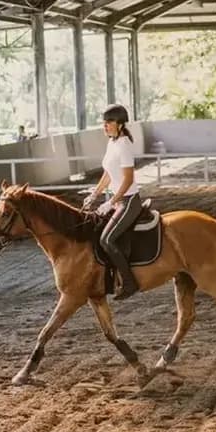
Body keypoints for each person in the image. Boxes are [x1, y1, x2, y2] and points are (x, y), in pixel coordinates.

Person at [82, 104, 141, 300]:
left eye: (109, 122)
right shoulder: (112, 143)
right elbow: (108, 174)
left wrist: (111, 202)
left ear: (120, 124)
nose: (105, 126)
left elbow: (128, 180)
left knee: (106, 239)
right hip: (117, 200)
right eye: (104, 122)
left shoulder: (124, 145)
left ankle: (130, 283)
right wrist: (95, 194)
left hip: (128, 201)